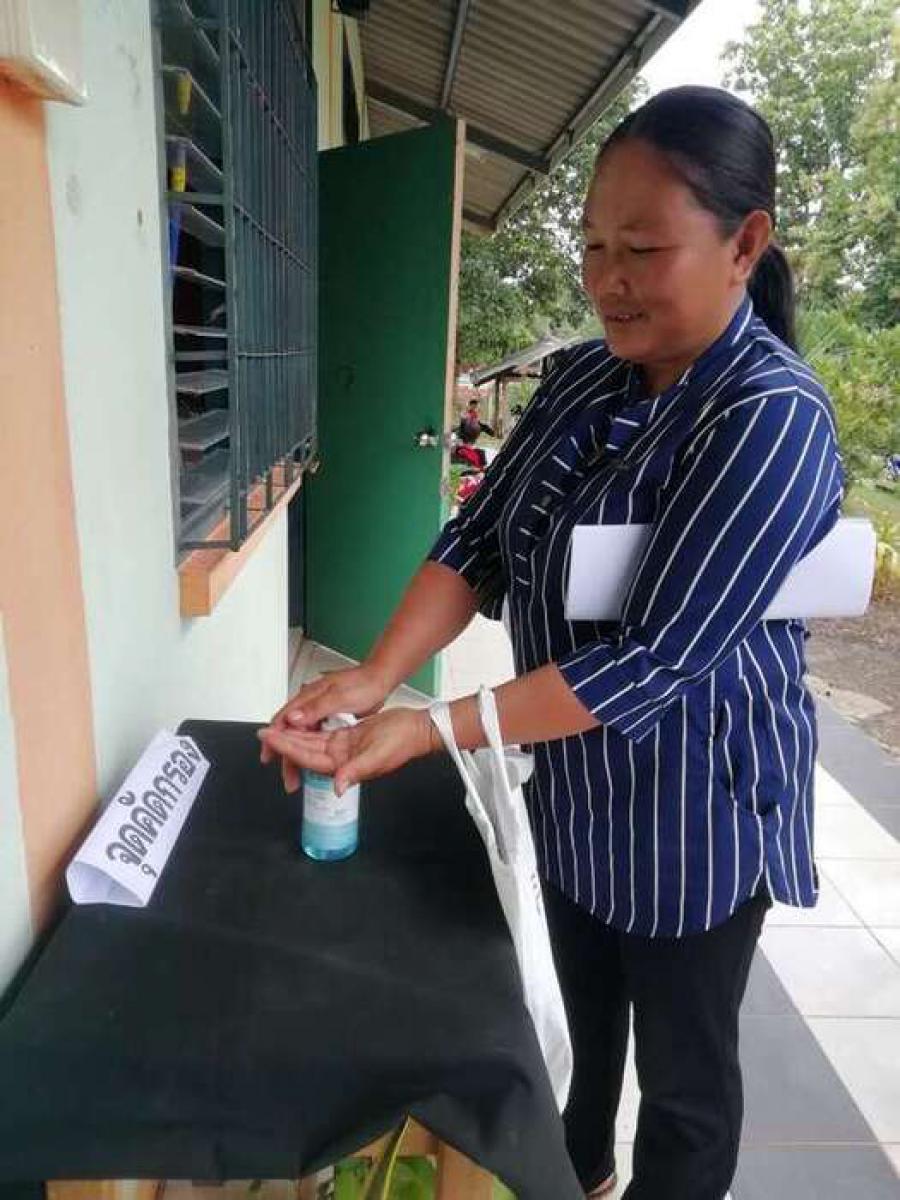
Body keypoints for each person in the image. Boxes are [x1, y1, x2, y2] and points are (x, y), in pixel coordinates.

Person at [259, 87, 843, 1200]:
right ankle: (580, 1174)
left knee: (686, 1086)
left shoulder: (770, 418)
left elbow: (654, 658)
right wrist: (376, 677)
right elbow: (475, 542)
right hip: (576, 786)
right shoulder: (582, 379)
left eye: (643, 249)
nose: (608, 279)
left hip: (697, 815)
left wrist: (427, 730)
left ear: (745, 244)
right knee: (579, 1025)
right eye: (593, 246)